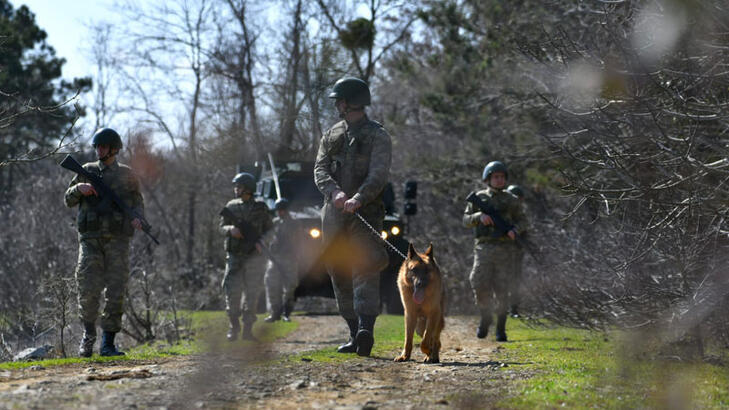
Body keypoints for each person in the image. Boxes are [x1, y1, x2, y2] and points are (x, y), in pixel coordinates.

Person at [314, 77, 391, 357]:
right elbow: (320, 169)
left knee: (365, 267)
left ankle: (366, 330)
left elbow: (379, 174)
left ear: (348, 102)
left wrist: (359, 198)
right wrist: (334, 193)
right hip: (334, 216)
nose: (336, 105)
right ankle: (352, 331)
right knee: (338, 270)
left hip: (365, 213)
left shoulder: (378, 135)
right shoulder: (332, 135)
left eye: (339, 100)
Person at [64, 128, 144, 357]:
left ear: (114, 149)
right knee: (87, 289)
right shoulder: (86, 171)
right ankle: (88, 338)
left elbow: (138, 203)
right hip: (90, 241)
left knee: (116, 291)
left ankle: (108, 343)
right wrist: (78, 189)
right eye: (97, 146)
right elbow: (67, 200)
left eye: (103, 146)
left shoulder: (128, 175)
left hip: (119, 241)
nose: (99, 150)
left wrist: (139, 219)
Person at [462, 161, 525, 342]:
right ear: (488, 179)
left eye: (502, 177)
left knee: (502, 289)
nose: (499, 180)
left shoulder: (512, 200)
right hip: (484, 247)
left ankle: (500, 328)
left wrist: (515, 230)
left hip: (505, 249)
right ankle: (485, 316)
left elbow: (524, 220)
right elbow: (465, 220)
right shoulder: (480, 198)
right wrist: (479, 217)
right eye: (495, 177)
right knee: (478, 282)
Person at [219, 172, 273, 341]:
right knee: (232, 293)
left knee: (252, 293)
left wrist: (262, 242)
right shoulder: (231, 206)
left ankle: (248, 330)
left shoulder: (261, 207)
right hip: (234, 256)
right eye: (236, 186)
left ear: (248, 189)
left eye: (239, 186)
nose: (236, 189)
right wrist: (230, 230)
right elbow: (221, 226)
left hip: (254, 258)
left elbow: (270, 230)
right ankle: (233, 327)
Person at [263, 198, 302, 322]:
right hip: (274, 258)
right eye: (278, 210)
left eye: (282, 210)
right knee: (271, 284)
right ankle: (275, 313)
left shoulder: (294, 223)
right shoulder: (274, 223)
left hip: (289, 258)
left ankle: (286, 312)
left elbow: (297, 240)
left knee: (290, 286)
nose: (280, 212)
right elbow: (268, 237)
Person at [506, 184, 526, 318]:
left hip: (516, 252)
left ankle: (513, 309)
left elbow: (525, 229)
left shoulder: (521, 216)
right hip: (501, 251)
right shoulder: (504, 213)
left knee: (515, 281)